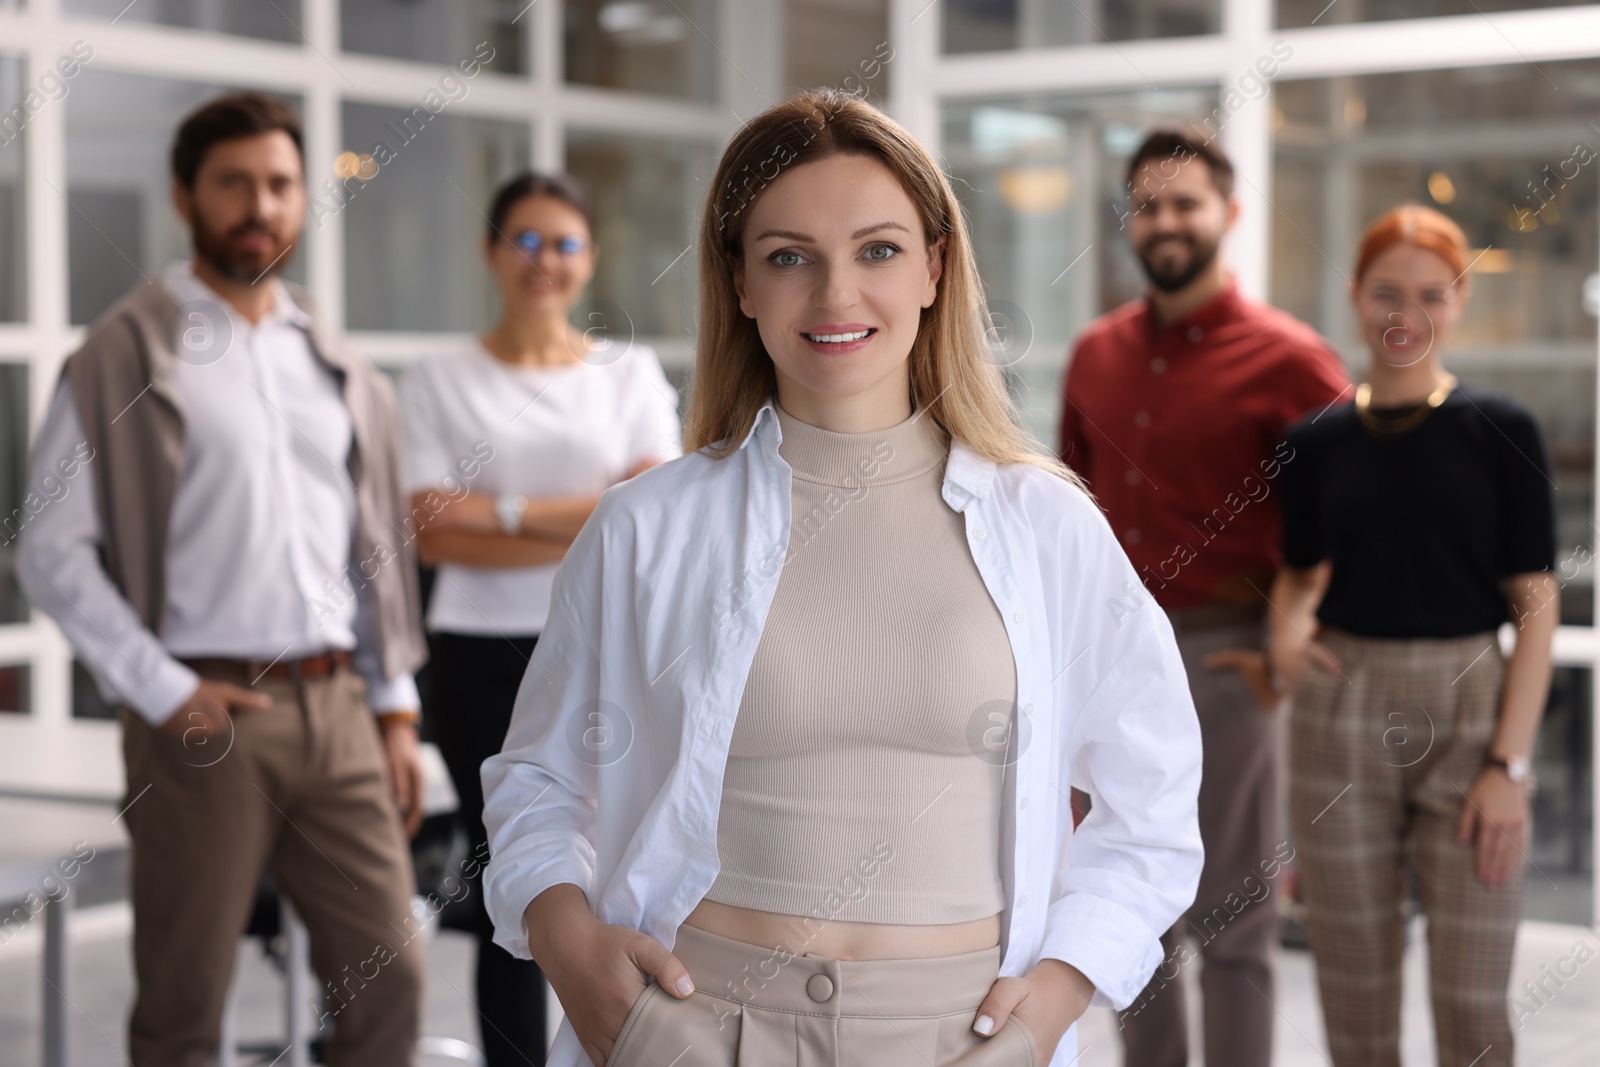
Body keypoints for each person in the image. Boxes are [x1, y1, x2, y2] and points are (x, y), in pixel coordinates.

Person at [479, 88, 1204, 1067]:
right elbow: (537, 776)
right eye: (788, 256)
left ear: (934, 269)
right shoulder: (644, 525)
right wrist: (574, 958)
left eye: (877, 250)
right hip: (694, 1023)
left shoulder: (1046, 525)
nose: (834, 296)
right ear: (738, 280)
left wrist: (1054, 1006)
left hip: (966, 1035)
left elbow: (1153, 797)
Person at [17, 92, 428, 1066]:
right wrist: (165, 690)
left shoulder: (328, 356)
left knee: (390, 980)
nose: (261, 204)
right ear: (184, 197)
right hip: (204, 718)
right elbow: (47, 548)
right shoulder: (119, 354)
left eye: (281, 184)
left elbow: (369, 543)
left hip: (340, 710)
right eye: (234, 182)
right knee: (183, 1001)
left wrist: (396, 707)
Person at [1056, 129, 1349, 1067]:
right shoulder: (1095, 354)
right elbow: (1069, 507)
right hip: (1107, 658)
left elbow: (1351, 511)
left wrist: (1290, 636)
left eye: (1187, 202)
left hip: (1226, 658)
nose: (1167, 221)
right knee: (1127, 902)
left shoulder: (1291, 358)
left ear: (1230, 214)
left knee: (1233, 914)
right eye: (1148, 203)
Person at [399, 170, 682, 1066]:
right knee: (509, 883)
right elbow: (431, 529)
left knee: (619, 872)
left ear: (590, 258)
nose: (544, 260)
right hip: (478, 654)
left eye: (564, 242)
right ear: (490, 251)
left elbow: (653, 514)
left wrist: (500, 509)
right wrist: (589, 509)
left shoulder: (627, 371)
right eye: (524, 239)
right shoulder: (438, 377)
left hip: (610, 646)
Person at [1271, 204, 1557, 1067]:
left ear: (1460, 300)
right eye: (1386, 291)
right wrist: (1285, 640)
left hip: (1472, 709)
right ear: (1356, 295)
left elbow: (1536, 608)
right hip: (1341, 706)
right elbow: (1296, 572)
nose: (1407, 313)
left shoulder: (1500, 432)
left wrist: (1509, 765)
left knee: (1472, 999)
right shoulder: (1315, 442)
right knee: (1355, 997)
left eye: (1431, 293)